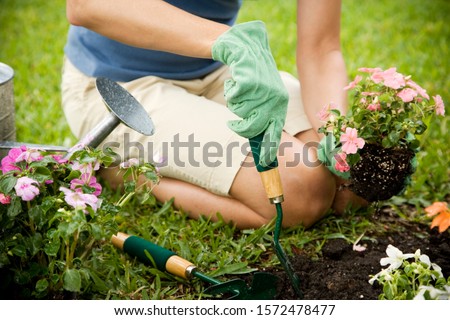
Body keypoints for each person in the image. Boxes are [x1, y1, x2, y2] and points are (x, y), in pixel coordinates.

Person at [62, 0, 367, 230]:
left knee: (349, 188)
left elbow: (321, 48)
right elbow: (86, 5)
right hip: (120, 89)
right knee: (299, 196)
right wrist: (228, 41)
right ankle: (126, 174)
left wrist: (335, 133)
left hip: (215, 68)